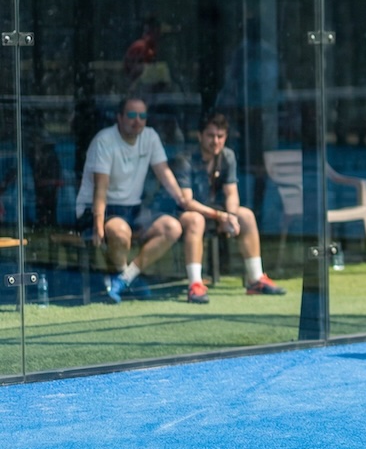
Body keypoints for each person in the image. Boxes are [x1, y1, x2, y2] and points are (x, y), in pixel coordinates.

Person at [74, 97, 199, 303]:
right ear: (119, 118)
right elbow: (101, 187)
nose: (137, 121)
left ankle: (125, 279)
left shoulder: (150, 137)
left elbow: (164, 173)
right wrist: (97, 224)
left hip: (132, 209)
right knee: (120, 232)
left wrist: (181, 199)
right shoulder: (104, 141)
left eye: (142, 116)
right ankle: (125, 278)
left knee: (172, 228)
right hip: (96, 208)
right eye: (132, 115)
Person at [172, 113, 287, 299]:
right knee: (196, 220)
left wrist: (231, 216)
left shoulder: (227, 156)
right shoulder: (184, 159)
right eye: (210, 136)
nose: (215, 141)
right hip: (186, 214)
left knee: (246, 216)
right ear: (200, 136)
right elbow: (186, 201)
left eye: (220, 136)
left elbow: (232, 193)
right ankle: (195, 285)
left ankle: (256, 279)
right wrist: (220, 216)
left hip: (217, 212)